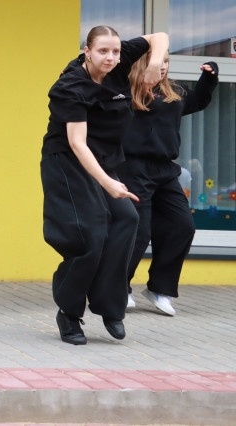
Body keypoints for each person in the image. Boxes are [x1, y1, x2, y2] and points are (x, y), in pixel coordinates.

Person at [41, 25, 168, 345]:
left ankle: (110, 305)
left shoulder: (119, 61)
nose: (111, 57)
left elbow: (159, 37)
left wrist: (154, 64)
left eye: (115, 51)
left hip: (106, 164)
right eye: (102, 51)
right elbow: (77, 143)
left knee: (128, 219)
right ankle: (69, 313)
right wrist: (109, 183)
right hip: (67, 163)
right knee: (90, 234)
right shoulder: (71, 86)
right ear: (87, 51)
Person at [119, 54, 218, 316]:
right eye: (156, 61)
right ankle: (117, 287)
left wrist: (210, 77)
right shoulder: (123, 90)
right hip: (132, 168)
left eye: (166, 61)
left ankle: (159, 289)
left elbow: (197, 101)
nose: (163, 66)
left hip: (164, 170)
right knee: (137, 231)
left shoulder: (173, 92)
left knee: (182, 226)